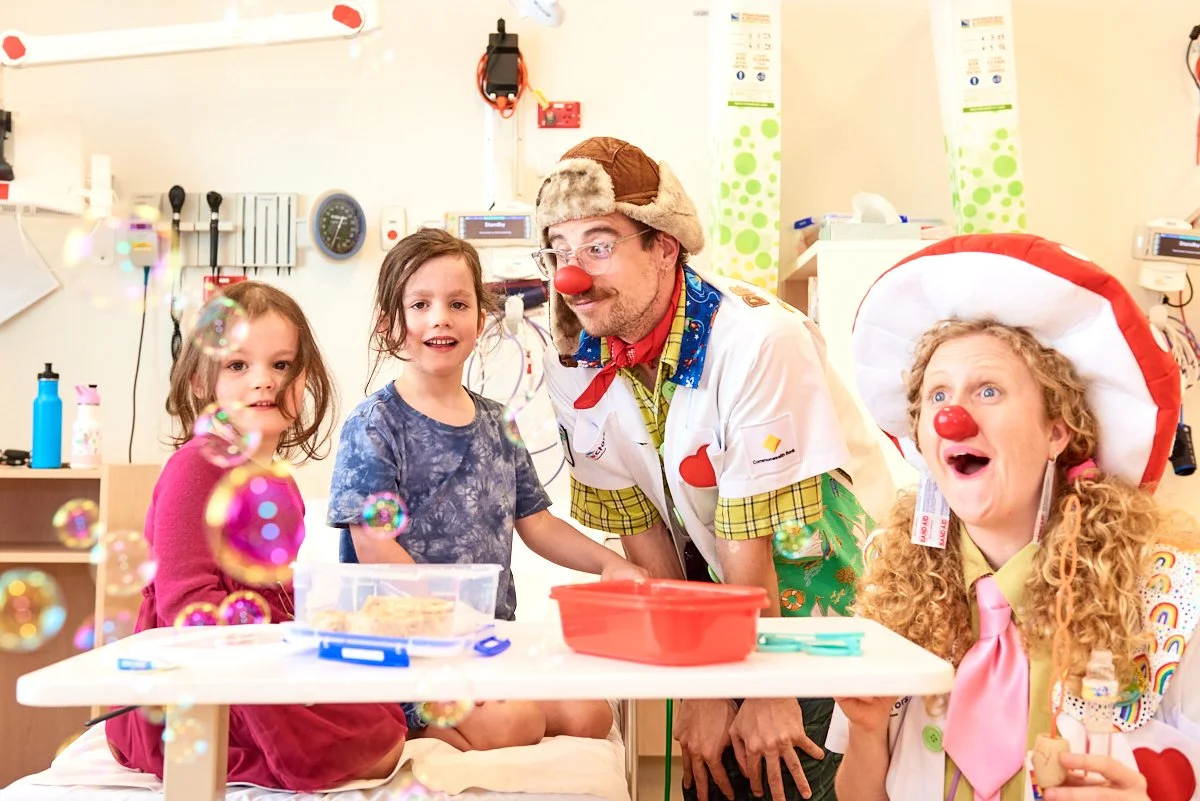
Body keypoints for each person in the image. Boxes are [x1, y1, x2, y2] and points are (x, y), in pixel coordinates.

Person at [534, 136, 898, 801]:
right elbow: (639, 525)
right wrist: (698, 684)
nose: (571, 276)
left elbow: (750, 528)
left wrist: (764, 686)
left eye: (598, 245)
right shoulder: (573, 357)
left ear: (664, 247)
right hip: (716, 603)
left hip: (818, 603)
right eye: (559, 250)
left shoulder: (759, 339)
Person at [829, 233, 1200, 801]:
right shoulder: (891, 583)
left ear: (1057, 432)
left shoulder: (1166, 596)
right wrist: (866, 729)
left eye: (989, 390)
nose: (953, 417)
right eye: (937, 396)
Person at [327, 227, 647, 751]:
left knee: (591, 714)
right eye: (420, 305)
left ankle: (477, 709)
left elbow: (537, 523)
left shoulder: (498, 422)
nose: (440, 318)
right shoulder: (375, 424)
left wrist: (609, 564)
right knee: (514, 725)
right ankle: (411, 727)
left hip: (488, 645)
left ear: (480, 320)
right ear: (390, 325)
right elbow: (374, 546)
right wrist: (446, 620)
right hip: (408, 653)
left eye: (457, 303)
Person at [107, 281, 410, 792]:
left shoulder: (279, 482)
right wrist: (279, 654)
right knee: (366, 747)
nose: (263, 381)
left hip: (254, 656)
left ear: (303, 378)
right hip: (192, 681)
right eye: (237, 365)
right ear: (201, 381)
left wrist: (313, 638)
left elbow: (276, 593)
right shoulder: (195, 468)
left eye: (282, 365)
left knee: (381, 720)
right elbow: (186, 607)